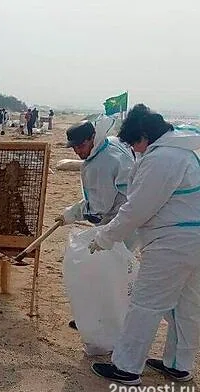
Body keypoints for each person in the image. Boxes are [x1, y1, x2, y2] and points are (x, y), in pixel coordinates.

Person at [88, 104, 200, 386]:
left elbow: (137, 209)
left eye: (135, 145)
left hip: (172, 242)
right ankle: (178, 365)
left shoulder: (163, 158)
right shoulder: (185, 148)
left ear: (144, 136)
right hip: (193, 240)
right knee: (186, 306)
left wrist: (105, 237)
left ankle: (126, 367)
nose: (135, 151)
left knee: (146, 304)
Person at [56, 120, 136, 330]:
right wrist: (71, 213)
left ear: (92, 138)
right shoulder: (109, 144)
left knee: (107, 271)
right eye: (73, 147)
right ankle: (94, 316)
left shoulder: (101, 164)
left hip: (122, 221)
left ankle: (105, 321)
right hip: (125, 216)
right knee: (106, 269)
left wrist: (72, 214)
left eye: (80, 146)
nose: (76, 152)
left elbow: (98, 207)